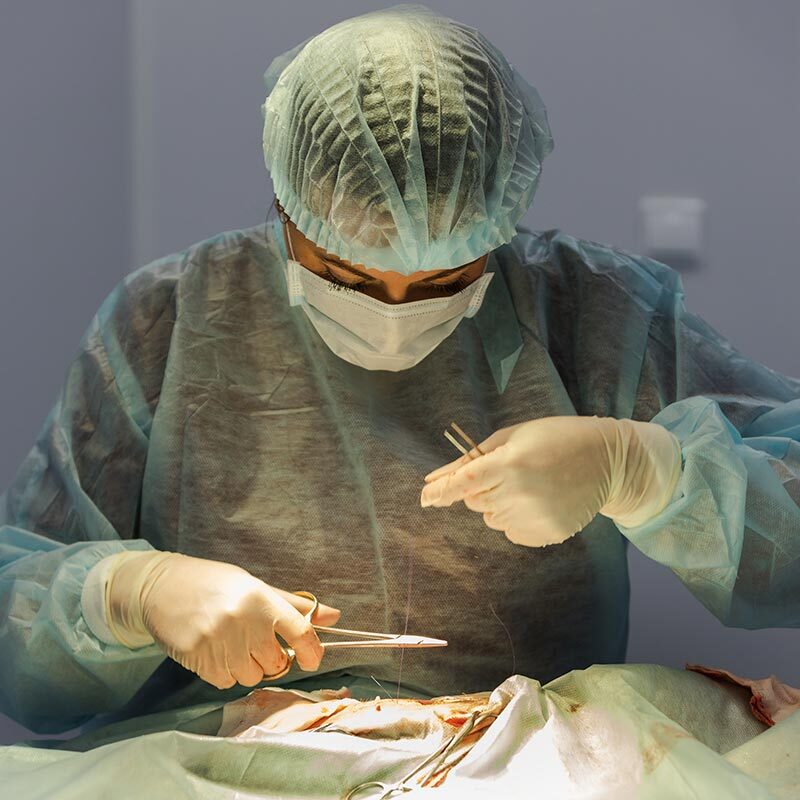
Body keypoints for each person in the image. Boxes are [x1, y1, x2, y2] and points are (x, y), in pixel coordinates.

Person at [2, 4, 800, 736]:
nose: (393, 309)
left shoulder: (596, 315)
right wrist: (129, 596)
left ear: (499, 221)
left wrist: (646, 471)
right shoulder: (169, 319)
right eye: (346, 274)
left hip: (513, 760)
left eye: (445, 280)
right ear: (286, 205)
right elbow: (19, 629)